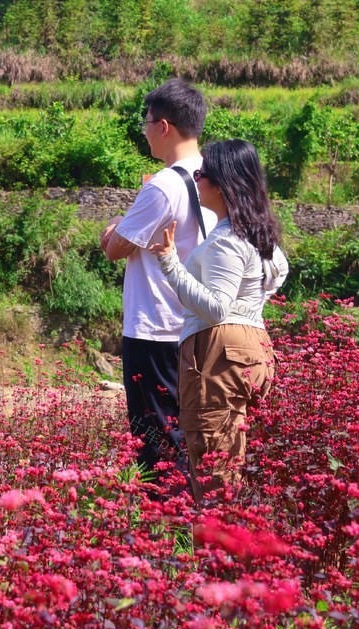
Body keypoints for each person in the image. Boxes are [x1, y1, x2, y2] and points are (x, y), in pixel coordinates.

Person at [148, 139, 289, 503]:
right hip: (254, 345)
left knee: (213, 464)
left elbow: (215, 308)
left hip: (218, 354)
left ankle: (217, 550)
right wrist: (249, 307)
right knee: (239, 456)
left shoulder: (226, 241)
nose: (196, 180)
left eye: (201, 173)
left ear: (222, 184)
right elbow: (278, 273)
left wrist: (169, 261)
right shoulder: (260, 238)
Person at [101, 79, 216, 485]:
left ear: (164, 126)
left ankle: (165, 530)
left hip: (155, 329)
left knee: (157, 440)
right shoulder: (211, 174)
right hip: (196, 324)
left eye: (147, 121)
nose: (145, 130)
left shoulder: (164, 186)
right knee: (190, 434)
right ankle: (192, 520)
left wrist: (114, 225)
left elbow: (115, 248)